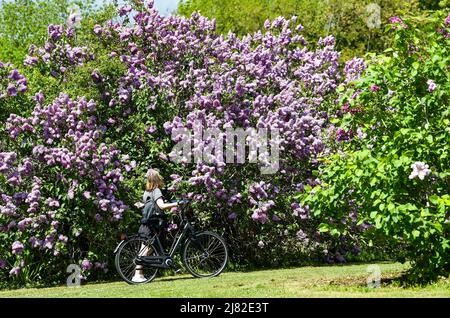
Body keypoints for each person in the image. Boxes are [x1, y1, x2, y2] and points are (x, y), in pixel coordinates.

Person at [132, 168, 178, 283]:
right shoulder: (156, 190)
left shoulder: (147, 192)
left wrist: (141, 205)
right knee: (147, 249)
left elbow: (148, 204)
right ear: (157, 179)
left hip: (147, 223)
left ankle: (138, 275)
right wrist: (177, 203)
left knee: (144, 249)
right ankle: (138, 275)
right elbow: (161, 206)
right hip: (155, 224)